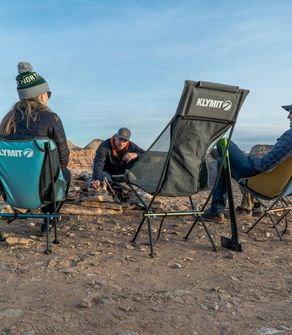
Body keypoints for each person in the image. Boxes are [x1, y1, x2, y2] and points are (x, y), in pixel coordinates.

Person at [0, 62, 71, 225]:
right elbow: (63, 160)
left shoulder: (6, 121)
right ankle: (50, 218)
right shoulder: (50, 118)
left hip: (12, 193)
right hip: (41, 191)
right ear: (40, 95)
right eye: (48, 93)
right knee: (65, 174)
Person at [204, 105, 292, 222]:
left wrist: (250, 159)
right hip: (281, 188)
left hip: (259, 178)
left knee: (224, 142)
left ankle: (216, 210)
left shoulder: (291, 136)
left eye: (291, 112)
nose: (288, 116)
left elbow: (264, 165)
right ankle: (218, 210)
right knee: (223, 160)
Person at [92, 127, 144, 201]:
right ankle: (114, 196)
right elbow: (98, 163)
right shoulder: (104, 146)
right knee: (105, 180)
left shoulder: (131, 146)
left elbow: (146, 155)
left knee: (138, 160)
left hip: (121, 174)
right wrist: (96, 178)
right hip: (107, 173)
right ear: (115, 137)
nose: (121, 143)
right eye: (120, 139)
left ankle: (139, 188)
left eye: (125, 141)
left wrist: (136, 154)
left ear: (128, 141)